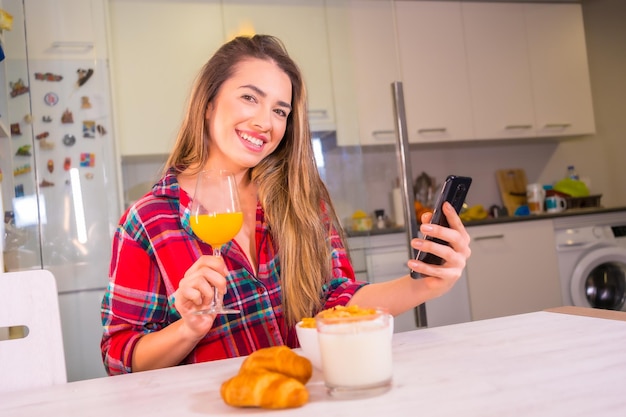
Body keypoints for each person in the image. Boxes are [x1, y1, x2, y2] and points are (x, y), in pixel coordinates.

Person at [101, 34, 471, 375]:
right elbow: (120, 356)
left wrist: (425, 285)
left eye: (280, 110)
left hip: (304, 397)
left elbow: (336, 302)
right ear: (209, 103)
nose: (265, 122)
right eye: (250, 97)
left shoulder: (302, 200)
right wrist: (190, 328)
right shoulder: (150, 220)